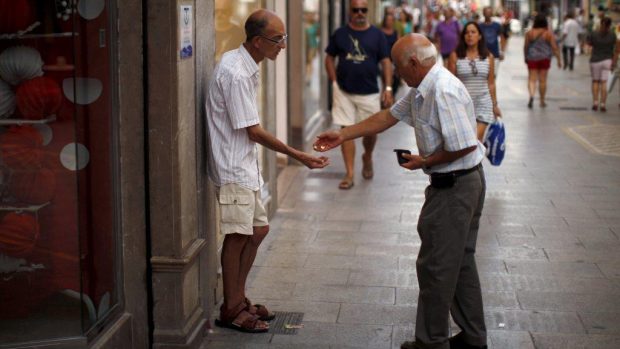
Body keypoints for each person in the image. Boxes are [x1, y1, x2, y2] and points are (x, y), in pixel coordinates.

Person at [314, 33, 488, 349]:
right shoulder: (422, 88)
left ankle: (431, 342)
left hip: (456, 187)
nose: (394, 72)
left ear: (411, 62)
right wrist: (343, 134)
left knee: (436, 266)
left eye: (396, 66)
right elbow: (387, 116)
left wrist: (426, 160)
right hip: (461, 182)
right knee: (460, 263)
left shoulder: (442, 90)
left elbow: (463, 145)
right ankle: (474, 338)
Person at [206, 9, 329, 333]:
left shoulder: (249, 64)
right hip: (232, 167)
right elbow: (253, 131)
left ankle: (238, 296)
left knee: (258, 230)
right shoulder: (236, 73)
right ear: (258, 41)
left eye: (284, 37)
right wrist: (297, 154)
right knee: (237, 237)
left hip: (245, 165)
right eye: (278, 39)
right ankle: (231, 309)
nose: (284, 45)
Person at [324, 0, 393, 190]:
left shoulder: (377, 35)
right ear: (350, 11)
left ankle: (367, 156)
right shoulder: (340, 34)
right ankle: (350, 173)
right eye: (356, 10)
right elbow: (329, 58)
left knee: (371, 131)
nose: (360, 13)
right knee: (345, 132)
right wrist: (334, 81)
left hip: (369, 92)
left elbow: (386, 62)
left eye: (363, 10)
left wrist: (388, 88)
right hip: (344, 91)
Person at [448, 22, 501, 141]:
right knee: (466, 142)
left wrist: (495, 105)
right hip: (462, 105)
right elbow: (450, 83)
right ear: (463, 37)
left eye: (473, 32)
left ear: (480, 36)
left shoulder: (488, 57)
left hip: (483, 103)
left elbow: (491, 83)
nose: (470, 35)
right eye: (466, 33)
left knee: (475, 140)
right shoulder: (455, 56)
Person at [523, 14, 561, 108]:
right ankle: (542, 101)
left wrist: (525, 57)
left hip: (532, 58)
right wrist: (559, 59)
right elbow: (554, 47)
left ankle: (531, 96)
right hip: (545, 58)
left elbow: (526, 46)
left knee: (532, 79)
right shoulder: (548, 33)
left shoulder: (529, 33)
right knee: (543, 80)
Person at [587, 17, 618, 112]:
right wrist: (614, 63)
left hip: (595, 60)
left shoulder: (594, 33)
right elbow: (616, 49)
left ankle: (595, 103)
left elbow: (589, 44)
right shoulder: (613, 35)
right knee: (604, 82)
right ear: (610, 25)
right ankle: (603, 104)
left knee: (595, 81)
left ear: (601, 23)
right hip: (607, 60)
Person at [381, 12, 401, 96]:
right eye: (387, 20)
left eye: (391, 20)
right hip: (382, 59)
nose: (389, 22)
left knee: (394, 79)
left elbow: (399, 45)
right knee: (383, 78)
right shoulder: (380, 32)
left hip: (392, 59)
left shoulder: (396, 32)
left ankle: (390, 95)